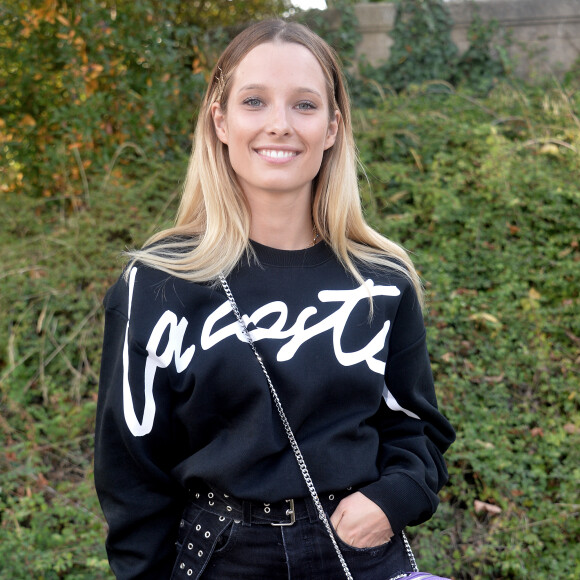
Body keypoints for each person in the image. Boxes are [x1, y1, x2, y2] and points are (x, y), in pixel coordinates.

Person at [94, 18, 455, 580]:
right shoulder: (156, 285)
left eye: (305, 105)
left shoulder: (381, 280)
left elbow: (417, 429)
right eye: (255, 101)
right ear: (221, 120)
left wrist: (394, 499)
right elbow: (130, 471)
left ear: (333, 127)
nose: (280, 125)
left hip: (358, 554)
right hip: (219, 557)